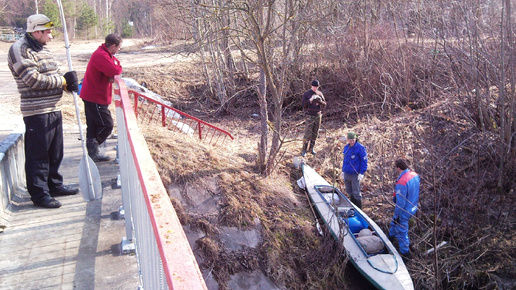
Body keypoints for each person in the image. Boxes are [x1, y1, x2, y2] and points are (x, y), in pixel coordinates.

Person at [8, 14, 80, 208]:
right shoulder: (20, 49)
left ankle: (54, 185)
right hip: (36, 111)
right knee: (38, 155)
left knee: (55, 153)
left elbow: (52, 74)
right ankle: (40, 195)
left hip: (53, 108)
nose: (50, 36)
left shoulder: (43, 49)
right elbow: (33, 80)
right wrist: (62, 81)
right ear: (36, 31)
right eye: (47, 32)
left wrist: (67, 85)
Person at [79, 34, 123, 162]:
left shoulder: (103, 54)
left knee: (93, 125)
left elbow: (114, 67)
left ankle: (93, 154)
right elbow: (115, 70)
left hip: (92, 95)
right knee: (107, 124)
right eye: (119, 47)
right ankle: (93, 148)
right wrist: (117, 68)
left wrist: (115, 65)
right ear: (113, 46)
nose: (119, 50)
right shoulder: (101, 55)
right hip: (95, 96)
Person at [389, 159, 420, 260]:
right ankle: (389, 238)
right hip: (413, 206)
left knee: (402, 231)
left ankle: (405, 254)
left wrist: (397, 215)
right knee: (394, 223)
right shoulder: (414, 175)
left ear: (398, 168)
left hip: (404, 211)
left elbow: (400, 203)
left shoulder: (402, 182)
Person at [340, 132, 368, 209]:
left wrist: (361, 173)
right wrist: (343, 170)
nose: (352, 141)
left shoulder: (360, 148)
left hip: (355, 174)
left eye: (353, 140)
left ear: (356, 139)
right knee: (349, 191)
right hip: (347, 172)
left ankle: (359, 209)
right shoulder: (346, 147)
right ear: (348, 140)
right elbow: (345, 160)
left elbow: (364, 161)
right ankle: (353, 206)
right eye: (350, 140)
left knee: (356, 192)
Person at [301, 80, 326, 156]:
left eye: (316, 87)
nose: (315, 88)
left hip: (318, 115)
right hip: (309, 115)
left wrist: (320, 101)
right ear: (311, 86)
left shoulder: (319, 93)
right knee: (308, 133)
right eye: (314, 87)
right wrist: (310, 100)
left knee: (315, 133)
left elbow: (324, 104)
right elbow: (303, 105)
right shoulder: (307, 94)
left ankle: (311, 148)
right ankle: (304, 150)